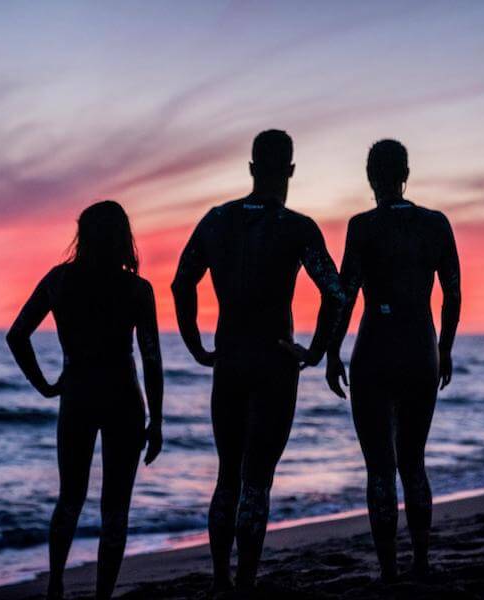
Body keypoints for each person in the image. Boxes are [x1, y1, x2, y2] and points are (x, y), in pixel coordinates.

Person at [171, 130, 345, 593]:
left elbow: (180, 283)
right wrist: (316, 350)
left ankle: (222, 580)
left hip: (229, 359)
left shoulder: (215, 220)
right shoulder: (296, 227)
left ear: (251, 169)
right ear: (289, 170)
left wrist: (195, 345)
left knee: (227, 474)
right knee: (257, 480)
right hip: (273, 361)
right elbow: (336, 291)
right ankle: (246, 581)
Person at [6, 201, 163, 600]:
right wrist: (157, 420)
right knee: (115, 509)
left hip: (77, 394)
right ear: (123, 236)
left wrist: (43, 384)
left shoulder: (60, 281)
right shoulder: (136, 289)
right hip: (124, 398)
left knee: (70, 498)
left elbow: (17, 334)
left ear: (83, 235)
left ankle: (56, 583)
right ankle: (102, 596)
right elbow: (151, 357)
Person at [326, 139, 461, 582]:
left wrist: (332, 350)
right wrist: (445, 348)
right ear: (406, 174)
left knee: (380, 469)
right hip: (420, 347)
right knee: (413, 463)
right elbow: (453, 293)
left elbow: (345, 295)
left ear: (370, 178)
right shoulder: (435, 224)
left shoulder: (362, 227)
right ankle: (421, 562)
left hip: (375, 350)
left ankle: (389, 572)